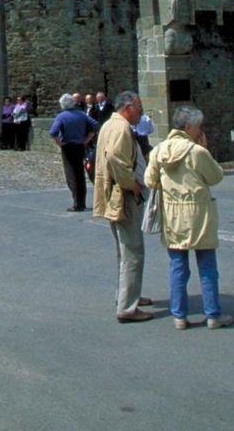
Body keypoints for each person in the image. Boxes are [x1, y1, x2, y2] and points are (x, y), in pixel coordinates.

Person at [145, 105, 231, 330]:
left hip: (172, 213)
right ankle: (213, 314)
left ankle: (179, 316)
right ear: (190, 126)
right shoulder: (197, 152)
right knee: (207, 266)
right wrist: (205, 150)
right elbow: (215, 177)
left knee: (177, 266)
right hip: (199, 212)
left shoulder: (160, 150)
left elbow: (149, 180)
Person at [92, 91, 154, 322]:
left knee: (124, 249)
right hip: (124, 196)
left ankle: (127, 295)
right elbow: (115, 159)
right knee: (132, 251)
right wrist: (133, 184)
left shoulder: (110, 125)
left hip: (115, 195)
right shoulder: (120, 128)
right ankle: (128, 307)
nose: (141, 112)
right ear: (127, 108)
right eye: (138, 107)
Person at [49, 94, 98, 211]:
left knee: (71, 174)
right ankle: (81, 201)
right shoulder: (81, 114)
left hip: (68, 146)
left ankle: (77, 203)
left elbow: (53, 132)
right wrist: (87, 139)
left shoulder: (61, 116)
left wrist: (60, 143)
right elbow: (95, 125)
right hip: (80, 145)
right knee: (80, 173)